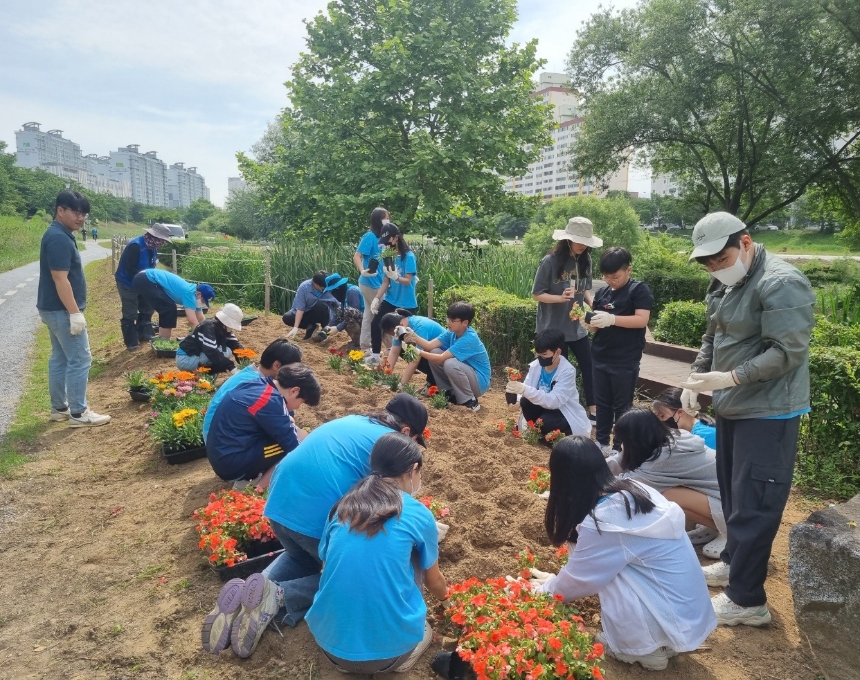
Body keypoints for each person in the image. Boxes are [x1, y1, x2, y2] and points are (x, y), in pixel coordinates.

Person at [201, 395, 429, 659]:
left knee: (301, 557)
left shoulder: (355, 420)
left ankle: (248, 594)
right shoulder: (387, 447)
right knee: (350, 576)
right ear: (405, 432)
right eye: (414, 442)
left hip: (278, 503)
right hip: (312, 517)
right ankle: (280, 597)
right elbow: (389, 507)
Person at [681, 212, 815, 626]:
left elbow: (788, 350)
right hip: (733, 405)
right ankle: (734, 562)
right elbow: (712, 335)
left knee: (756, 503)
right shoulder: (725, 280)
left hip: (769, 409)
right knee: (735, 495)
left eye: (720, 259)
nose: (714, 268)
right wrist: (697, 377)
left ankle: (746, 600)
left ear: (745, 242)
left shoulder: (781, 282)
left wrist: (734, 376)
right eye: (707, 263)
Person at [531, 436, 715, 671]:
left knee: (609, 573)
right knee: (615, 564)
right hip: (685, 612)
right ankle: (659, 641)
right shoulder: (634, 490)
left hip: (667, 615)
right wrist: (556, 580)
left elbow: (582, 580)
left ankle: (642, 648)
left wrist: (541, 592)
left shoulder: (605, 520)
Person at [306, 433, 448, 674]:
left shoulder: (343, 506)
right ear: (413, 469)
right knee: (414, 557)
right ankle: (398, 659)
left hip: (331, 648)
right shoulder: (415, 513)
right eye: (420, 473)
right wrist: (447, 600)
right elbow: (434, 581)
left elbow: (326, 564)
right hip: (391, 655)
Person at [609, 408, 727, 559]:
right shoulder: (672, 438)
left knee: (666, 495)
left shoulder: (663, 460)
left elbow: (627, 483)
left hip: (737, 510)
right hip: (733, 497)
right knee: (671, 491)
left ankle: (731, 534)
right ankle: (714, 527)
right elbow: (621, 460)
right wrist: (595, 466)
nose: (622, 445)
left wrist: (593, 479)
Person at [37, 190, 110, 428]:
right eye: (76, 212)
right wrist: (74, 313)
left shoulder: (61, 233)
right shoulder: (58, 237)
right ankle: (78, 413)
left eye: (84, 214)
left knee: (60, 357)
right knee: (80, 358)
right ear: (61, 210)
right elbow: (60, 278)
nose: (81, 218)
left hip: (53, 309)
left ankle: (59, 408)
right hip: (61, 310)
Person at [583, 247, 653, 453]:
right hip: (600, 355)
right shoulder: (603, 293)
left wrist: (612, 319)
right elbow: (597, 325)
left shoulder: (638, 290)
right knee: (602, 403)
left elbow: (641, 320)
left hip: (624, 359)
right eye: (606, 277)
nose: (610, 281)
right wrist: (588, 322)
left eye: (615, 276)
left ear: (628, 271)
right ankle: (602, 442)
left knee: (622, 406)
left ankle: (619, 446)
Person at [205, 364, 321, 488]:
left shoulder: (258, 384)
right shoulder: (271, 401)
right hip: (233, 466)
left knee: (294, 433)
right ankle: (256, 490)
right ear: (294, 391)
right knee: (301, 443)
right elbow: (294, 446)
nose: (298, 407)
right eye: (301, 402)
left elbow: (284, 419)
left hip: (223, 454)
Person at [531, 216, 600, 421]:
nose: (582, 245)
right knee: (557, 367)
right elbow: (537, 294)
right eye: (578, 239)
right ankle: (550, 406)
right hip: (553, 328)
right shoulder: (550, 261)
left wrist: (592, 304)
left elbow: (585, 288)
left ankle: (594, 408)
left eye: (585, 241)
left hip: (577, 326)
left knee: (588, 366)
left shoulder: (586, 259)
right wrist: (560, 298)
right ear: (567, 239)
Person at [202, 339, 303, 443]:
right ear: (276, 365)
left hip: (216, 433)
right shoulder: (257, 385)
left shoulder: (250, 374)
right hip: (220, 440)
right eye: (291, 370)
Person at [505, 328, 591, 439]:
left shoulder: (567, 371)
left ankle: (547, 434)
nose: (541, 358)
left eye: (544, 354)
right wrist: (516, 402)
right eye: (539, 354)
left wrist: (524, 389)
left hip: (561, 411)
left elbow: (554, 401)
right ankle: (539, 432)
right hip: (543, 408)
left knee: (546, 422)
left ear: (558, 352)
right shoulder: (536, 366)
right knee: (525, 401)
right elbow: (527, 387)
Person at [407, 302, 491, 412]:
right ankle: (449, 393)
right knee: (434, 351)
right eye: (448, 319)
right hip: (466, 374)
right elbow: (429, 345)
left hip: (479, 382)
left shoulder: (469, 338)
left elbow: (440, 359)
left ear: (465, 323)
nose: (448, 322)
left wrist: (417, 351)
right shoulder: (451, 332)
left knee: (449, 363)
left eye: (452, 320)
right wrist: (413, 335)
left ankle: (470, 401)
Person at [114, 223, 173, 350]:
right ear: (154, 236)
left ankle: (144, 334)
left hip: (144, 282)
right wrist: (144, 278)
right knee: (130, 313)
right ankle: (131, 342)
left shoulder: (153, 246)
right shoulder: (135, 246)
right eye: (161, 240)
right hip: (127, 282)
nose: (162, 243)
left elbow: (152, 265)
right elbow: (130, 267)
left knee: (147, 308)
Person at [368, 222, 417, 367]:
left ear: (396, 238)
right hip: (390, 299)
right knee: (375, 324)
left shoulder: (408, 257)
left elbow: (408, 281)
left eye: (388, 241)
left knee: (406, 335)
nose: (386, 245)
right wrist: (376, 299)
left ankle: (413, 363)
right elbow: (385, 281)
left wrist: (396, 277)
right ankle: (376, 355)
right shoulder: (387, 256)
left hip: (406, 302)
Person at [132, 269, 215, 339]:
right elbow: (192, 321)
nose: (203, 303)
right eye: (204, 301)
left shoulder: (194, 293)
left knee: (168, 307)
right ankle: (164, 341)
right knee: (168, 309)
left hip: (145, 277)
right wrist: (203, 337)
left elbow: (200, 318)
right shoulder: (189, 293)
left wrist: (209, 332)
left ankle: (161, 338)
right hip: (145, 278)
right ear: (199, 294)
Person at [379, 309, 445, 391]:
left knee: (415, 352)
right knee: (403, 350)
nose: (394, 336)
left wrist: (402, 385)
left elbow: (415, 359)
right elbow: (394, 352)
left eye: (392, 334)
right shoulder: (400, 329)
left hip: (445, 359)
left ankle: (433, 382)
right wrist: (386, 377)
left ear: (401, 324)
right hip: (432, 356)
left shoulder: (419, 326)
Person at [353, 207, 388, 351]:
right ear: (378, 219)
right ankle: (392, 347)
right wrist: (363, 271)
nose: (387, 220)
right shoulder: (370, 237)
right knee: (382, 315)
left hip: (379, 282)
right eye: (385, 217)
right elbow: (357, 256)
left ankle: (365, 346)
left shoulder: (383, 237)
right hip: (370, 283)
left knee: (369, 314)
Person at [176, 303, 245, 372]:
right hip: (186, 359)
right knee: (221, 354)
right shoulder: (208, 327)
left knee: (226, 352)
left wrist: (245, 362)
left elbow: (235, 345)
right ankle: (204, 376)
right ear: (226, 322)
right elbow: (211, 351)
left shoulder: (222, 328)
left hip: (197, 355)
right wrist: (231, 367)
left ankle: (208, 377)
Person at [652, 387, 716, 449]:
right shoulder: (685, 433)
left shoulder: (705, 435)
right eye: (657, 416)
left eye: (662, 416)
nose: (660, 421)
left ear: (680, 412)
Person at [282, 271, 339, 341]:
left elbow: (338, 304)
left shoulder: (330, 287)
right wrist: (295, 327)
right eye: (323, 288)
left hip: (324, 312)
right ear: (317, 285)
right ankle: (311, 326)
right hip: (308, 312)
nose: (325, 290)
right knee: (287, 317)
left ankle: (325, 330)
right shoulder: (304, 288)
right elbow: (300, 309)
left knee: (321, 305)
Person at [317, 273, 364, 346]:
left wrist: (337, 328)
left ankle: (359, 343)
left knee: (349, 314)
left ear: (337, 288)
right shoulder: (344, 293)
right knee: (342, 312)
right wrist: (328, 327)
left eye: (332, 291)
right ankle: (357, 341)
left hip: (367, 322)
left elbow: (354, 314)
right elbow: (340, 313)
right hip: (360, 320)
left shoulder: (352, 292)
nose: (332, 293)